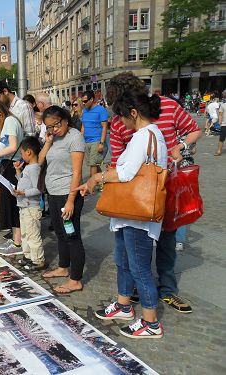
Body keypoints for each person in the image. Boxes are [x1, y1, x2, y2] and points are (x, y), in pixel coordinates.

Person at [76, 88, 167, 339]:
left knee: (139, 267)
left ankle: (150, 322)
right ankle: (123, 304)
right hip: (129, 213)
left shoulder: (144, 136)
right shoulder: (150, 135)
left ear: (134, 113)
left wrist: (97, 176)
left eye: (122, 117)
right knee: (124, 261)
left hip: (137, 214)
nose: (121, 123)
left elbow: (126, 173)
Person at [107, 71, 201, 313]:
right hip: (137, 193)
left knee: (167, 242)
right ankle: (136, 289)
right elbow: (118, 158)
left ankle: (166, 290)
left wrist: (179, 147)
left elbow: (193, 129)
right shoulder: (120, 119)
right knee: (134, 249)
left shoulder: (168, 106)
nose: (118, 115)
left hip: (167, 186)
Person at [39, 106, 86, 294]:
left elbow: (77, 172)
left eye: (56, 124)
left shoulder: (75, 137)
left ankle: (75, 279)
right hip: (54, 193)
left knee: (72, 236)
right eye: (49, 127)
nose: (54, 129)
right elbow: (40, 160)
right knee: (59, 233)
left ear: (65, 119)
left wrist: (71, 200)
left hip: (68, 194)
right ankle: (63, 267)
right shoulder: (54, 138)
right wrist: (48, 142)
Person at [0, 100, 24, 255]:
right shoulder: (10, 121)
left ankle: (18, 243)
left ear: (0, 114)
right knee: (12, 203)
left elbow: (13, 146)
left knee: (13, 204)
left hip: (12, 164)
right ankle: (16, 238)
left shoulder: (9, 121)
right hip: (11, 163)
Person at [13, 136, 45, 271]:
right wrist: (18, 172)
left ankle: (38, 260)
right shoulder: (28, 167)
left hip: (31, 207)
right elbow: (24, 182)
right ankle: (28, 256)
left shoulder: (34, 168)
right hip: (24, 207)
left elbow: (38, 188)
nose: (21, 156)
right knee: (25, 234)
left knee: (33, 235)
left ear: (29, 152)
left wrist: (23, 193)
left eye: (21, 153)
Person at [81, 90, 109, 178]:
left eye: (85, 101)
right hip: (86, 141)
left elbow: (105, 127)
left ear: (92, 99)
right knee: (94, 164)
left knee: (93, 164)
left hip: (96, 141)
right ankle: (102, 181)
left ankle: (91, 187)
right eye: (82, 101)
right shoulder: (84, 111)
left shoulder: (101, 110)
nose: (83, 103)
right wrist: (81, 139)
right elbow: (83, 126)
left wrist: (101, 143)